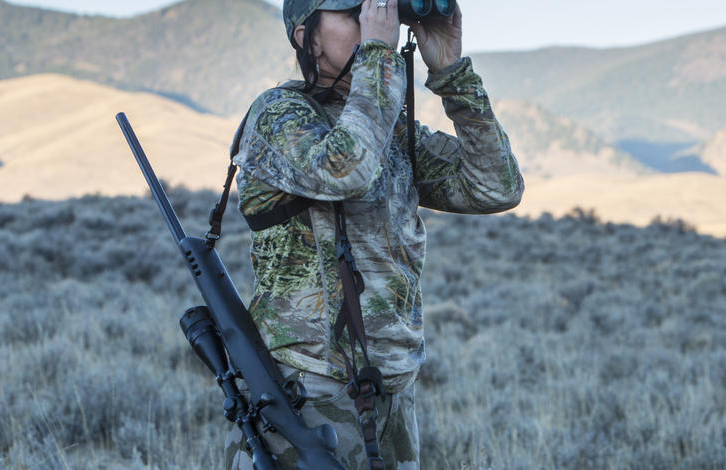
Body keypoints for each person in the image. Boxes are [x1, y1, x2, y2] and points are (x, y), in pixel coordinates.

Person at [223, 0, 523, 468]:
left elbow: (495, 187)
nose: (372, 22)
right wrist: (380, 55)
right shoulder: (277, 117)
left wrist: (452, 72)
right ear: (307, 38)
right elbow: (345, 169)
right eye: (353, 13)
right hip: (308, 389)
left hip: (392, 388)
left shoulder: (390, 128)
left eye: (377, 9)